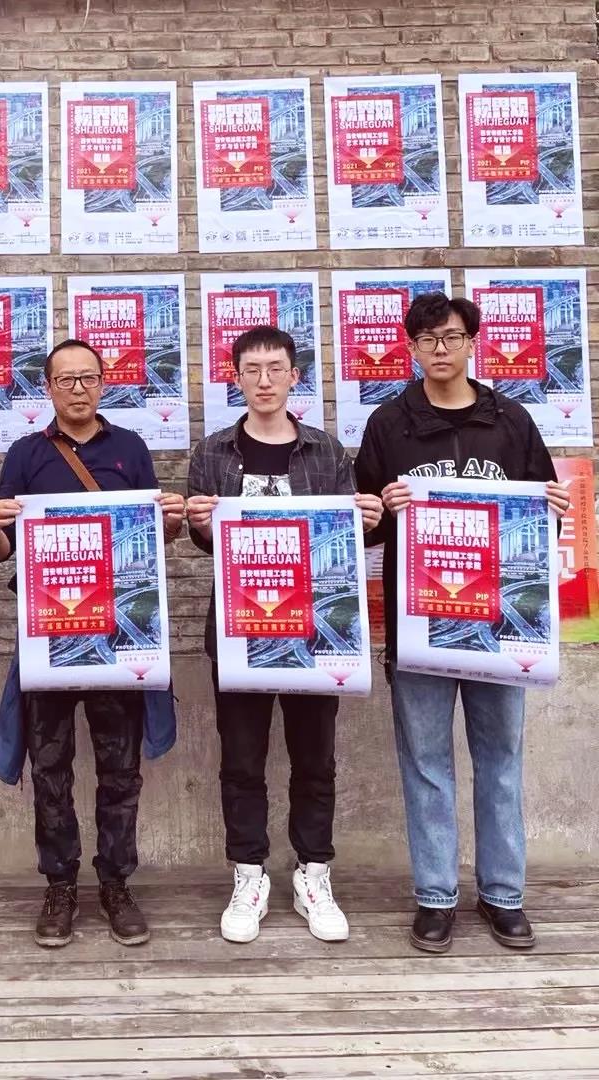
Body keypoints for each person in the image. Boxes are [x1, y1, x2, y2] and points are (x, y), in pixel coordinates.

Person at [354, 292, 571, 953]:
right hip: (419, 625)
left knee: (500, 760)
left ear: (473, 342)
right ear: (411, 348)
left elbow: (541, 521)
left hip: (500, 625)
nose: (440, 348)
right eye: (427, 339)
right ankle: (436, 896)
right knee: (425, 762)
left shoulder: (511, 420)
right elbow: (365, 525)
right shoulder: (389, 424)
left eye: (451, 336)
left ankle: (503, 894)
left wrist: (553, 507)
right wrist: (381, 506)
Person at [0, 338, 185, 948]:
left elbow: (151, 539)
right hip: (48, 631)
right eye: (65, 379)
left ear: (103, 383)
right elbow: (2, 549)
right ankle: (60, 884)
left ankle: (117, 883)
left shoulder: (131, 448)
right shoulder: (25, 453)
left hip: (118, 631)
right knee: (49, 766)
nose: (77, 388)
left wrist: (171, 525)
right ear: (47, 388)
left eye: (88, 378)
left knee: (120, 767)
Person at [185, 326, 384, 945]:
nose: (264, 380)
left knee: (314, 759)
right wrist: (200, 522)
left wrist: (368, 520)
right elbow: (204, 541)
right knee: (242, 760)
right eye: (252, 369)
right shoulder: (213, 452)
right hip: (239, 628)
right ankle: (248, 875)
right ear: (236, 378)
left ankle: (313, 873)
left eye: (276, 368)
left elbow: (346, 540)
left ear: (295, 377)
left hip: (317, 629)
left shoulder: (326, 451)